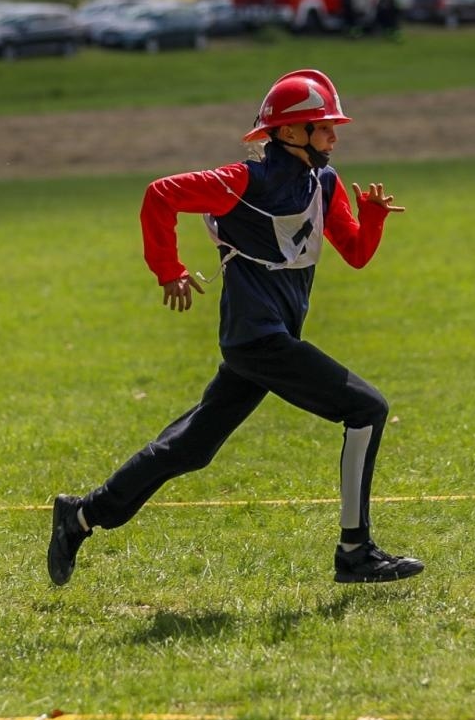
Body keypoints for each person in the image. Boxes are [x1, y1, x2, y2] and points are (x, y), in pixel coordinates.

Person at [48, 69, 424, 586]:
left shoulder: (324, 183)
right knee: (367, 408)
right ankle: (355, 551)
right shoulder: (243, 180)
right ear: (289, 133)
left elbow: (355, 254)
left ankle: (81, 516)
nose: (335, 136)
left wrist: (371, 217)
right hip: (258, 338)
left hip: (268, 342)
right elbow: (160, 194)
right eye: (323, 126)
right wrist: (169, 270)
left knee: (191, 448)